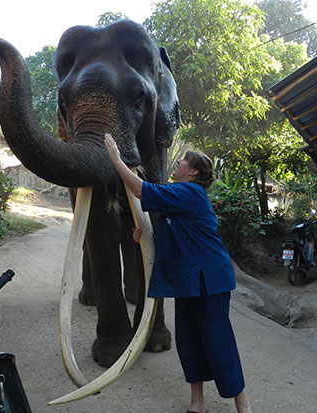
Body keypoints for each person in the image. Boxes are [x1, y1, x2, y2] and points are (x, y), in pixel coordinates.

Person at [104, 133, 252, 413]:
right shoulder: (177, 198)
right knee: (189, 341)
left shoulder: (191, 192)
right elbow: (175, 233)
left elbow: (140, 190)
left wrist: (116, 160)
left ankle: (242, 404)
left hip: (209, 280)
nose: (179, 161)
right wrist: (144, 238)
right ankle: (198, 402)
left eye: (184, 160)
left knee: (218, 340)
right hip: (187, 281)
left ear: (193, 172)